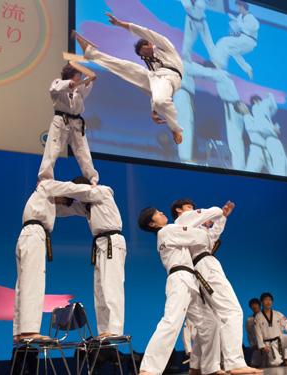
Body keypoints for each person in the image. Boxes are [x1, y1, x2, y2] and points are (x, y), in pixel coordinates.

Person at [171, 199, 262, 374]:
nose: (193, 210)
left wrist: (222, 218)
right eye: (190, 207)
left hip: (205, 264)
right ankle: (235, 363)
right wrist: (217, 213)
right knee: (232, 311)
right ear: (179, 210)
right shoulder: (182, 220)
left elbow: (212, 237)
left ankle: (196, 366)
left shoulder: (193, 228)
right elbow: (208, 213)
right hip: (205, 265)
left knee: (211, 318)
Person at [75, 12, 184, 145]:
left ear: (150, 44)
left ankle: (174, 128)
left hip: (171, 76)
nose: (145, 55)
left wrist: (120, 24)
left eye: (145, 51)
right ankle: (90, 53)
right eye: (142, 55)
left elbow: (144, 32)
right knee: (126, 67)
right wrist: (154, 111)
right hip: (157, 78)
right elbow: (156, 86)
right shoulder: (153, 65)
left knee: (161, 101)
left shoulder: (164, 46)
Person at [138, 207, 223, 375]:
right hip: (180, 279)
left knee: (210, 323)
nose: (162, 213)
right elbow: (198, 236)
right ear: (152, 223)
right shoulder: (168, 230)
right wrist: (206, 227)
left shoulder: (166, 233)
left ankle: (208, 367)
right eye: (157, 213)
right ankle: (149, 369)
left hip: (188, 280)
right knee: (171, 321)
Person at [13, 179, 96, 342]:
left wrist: (87, 203)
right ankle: (29, 330)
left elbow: (74, 209)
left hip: (28, 236)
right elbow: (69, 187)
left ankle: (18, 331)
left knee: (23, 284)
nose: (62, 202)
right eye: (64, 199)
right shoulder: (47, 187)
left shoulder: (48, 202)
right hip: (34, 234)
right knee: (33, 282)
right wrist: (89, 189)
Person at [55, 176, 126, 336]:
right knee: (100, 290)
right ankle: (103, 331)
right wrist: (51, 196)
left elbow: (102, 190)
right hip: (100, 245)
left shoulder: (102, 193)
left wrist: (61, 189)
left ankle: (114, 330)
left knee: (111, 286)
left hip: (112, 242)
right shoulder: (86, 206)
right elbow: (63, 210)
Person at [38, 64, 99, 184]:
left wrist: (90, 79)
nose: (78, 79)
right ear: (70, 76)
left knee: (84, 153)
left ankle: (93, 181)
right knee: (52, 151)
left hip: (76, 123)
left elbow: (86, 85)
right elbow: (55, 88)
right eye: (77, 76)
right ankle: (45, 179)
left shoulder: (78, 90)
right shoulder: (58, 83)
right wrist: (68, 84)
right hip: (61, 121)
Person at [212, 1, 259, 79]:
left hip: (249, 42)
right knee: (232, 51)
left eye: (238, 7)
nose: (238, 9)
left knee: (224, 41)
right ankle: (248, 69)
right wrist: (233, 32)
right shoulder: (240, 16)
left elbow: (253, 28)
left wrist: (236, 20)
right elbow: (237, 29)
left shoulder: (251, 18)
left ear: (242, 7)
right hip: (243, 39)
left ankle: (218, 63)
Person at [245, 298, 264, 368]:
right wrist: (252, 345)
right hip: (258, 345)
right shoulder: (249, 320)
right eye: (252, 305)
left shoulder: (266, 316)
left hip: (268, 343)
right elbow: (249, 334)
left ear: (259, 305)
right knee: (254, 363)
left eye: (256, 304)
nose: (254, 306)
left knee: (272, 363)